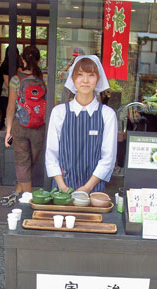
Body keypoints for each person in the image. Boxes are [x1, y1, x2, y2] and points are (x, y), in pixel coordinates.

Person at [45, 55, 117, 194]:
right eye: (79, 75)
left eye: (91, 75)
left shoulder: (107, 115)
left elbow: (108, 158)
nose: (85, 80)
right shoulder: (59, 112)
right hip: (62, 189)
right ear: (72, 78)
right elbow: (51, 154)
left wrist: (87, 188)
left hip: (94, 189)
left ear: (98, 78)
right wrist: (63, 187)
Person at [2, 45, 46, 206]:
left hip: (20, 126)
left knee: (22, 162)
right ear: (38, 59)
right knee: (29, 163)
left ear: (22, 59)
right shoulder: (43, 78)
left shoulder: (16, 79)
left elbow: (10, 107)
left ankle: (28, 200)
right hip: (39, 127)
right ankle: (19, 192)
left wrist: (8, 131)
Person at [0, 46, 22, 131]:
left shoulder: (18, 65)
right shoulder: (5, 66)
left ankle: (7, 139)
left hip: (12, 95)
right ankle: (4, 140)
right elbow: (7, 82)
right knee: (5, 117)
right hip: (5, 95)